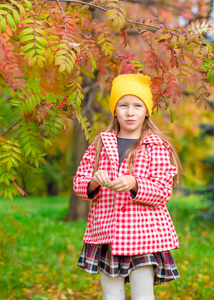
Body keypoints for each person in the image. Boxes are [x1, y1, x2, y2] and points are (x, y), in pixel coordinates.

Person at [73, 73, 182, 300]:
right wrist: (94, 180)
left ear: (146, 111)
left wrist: (135, 183)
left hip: (142, 235)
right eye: (123, 105)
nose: (130, 112)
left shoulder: (155, 145)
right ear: (115, 109)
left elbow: (163, 191)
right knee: (111, 293)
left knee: (143, 294)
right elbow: (79, 183)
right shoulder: (101, 143)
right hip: (107, 234)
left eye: (137, 106)